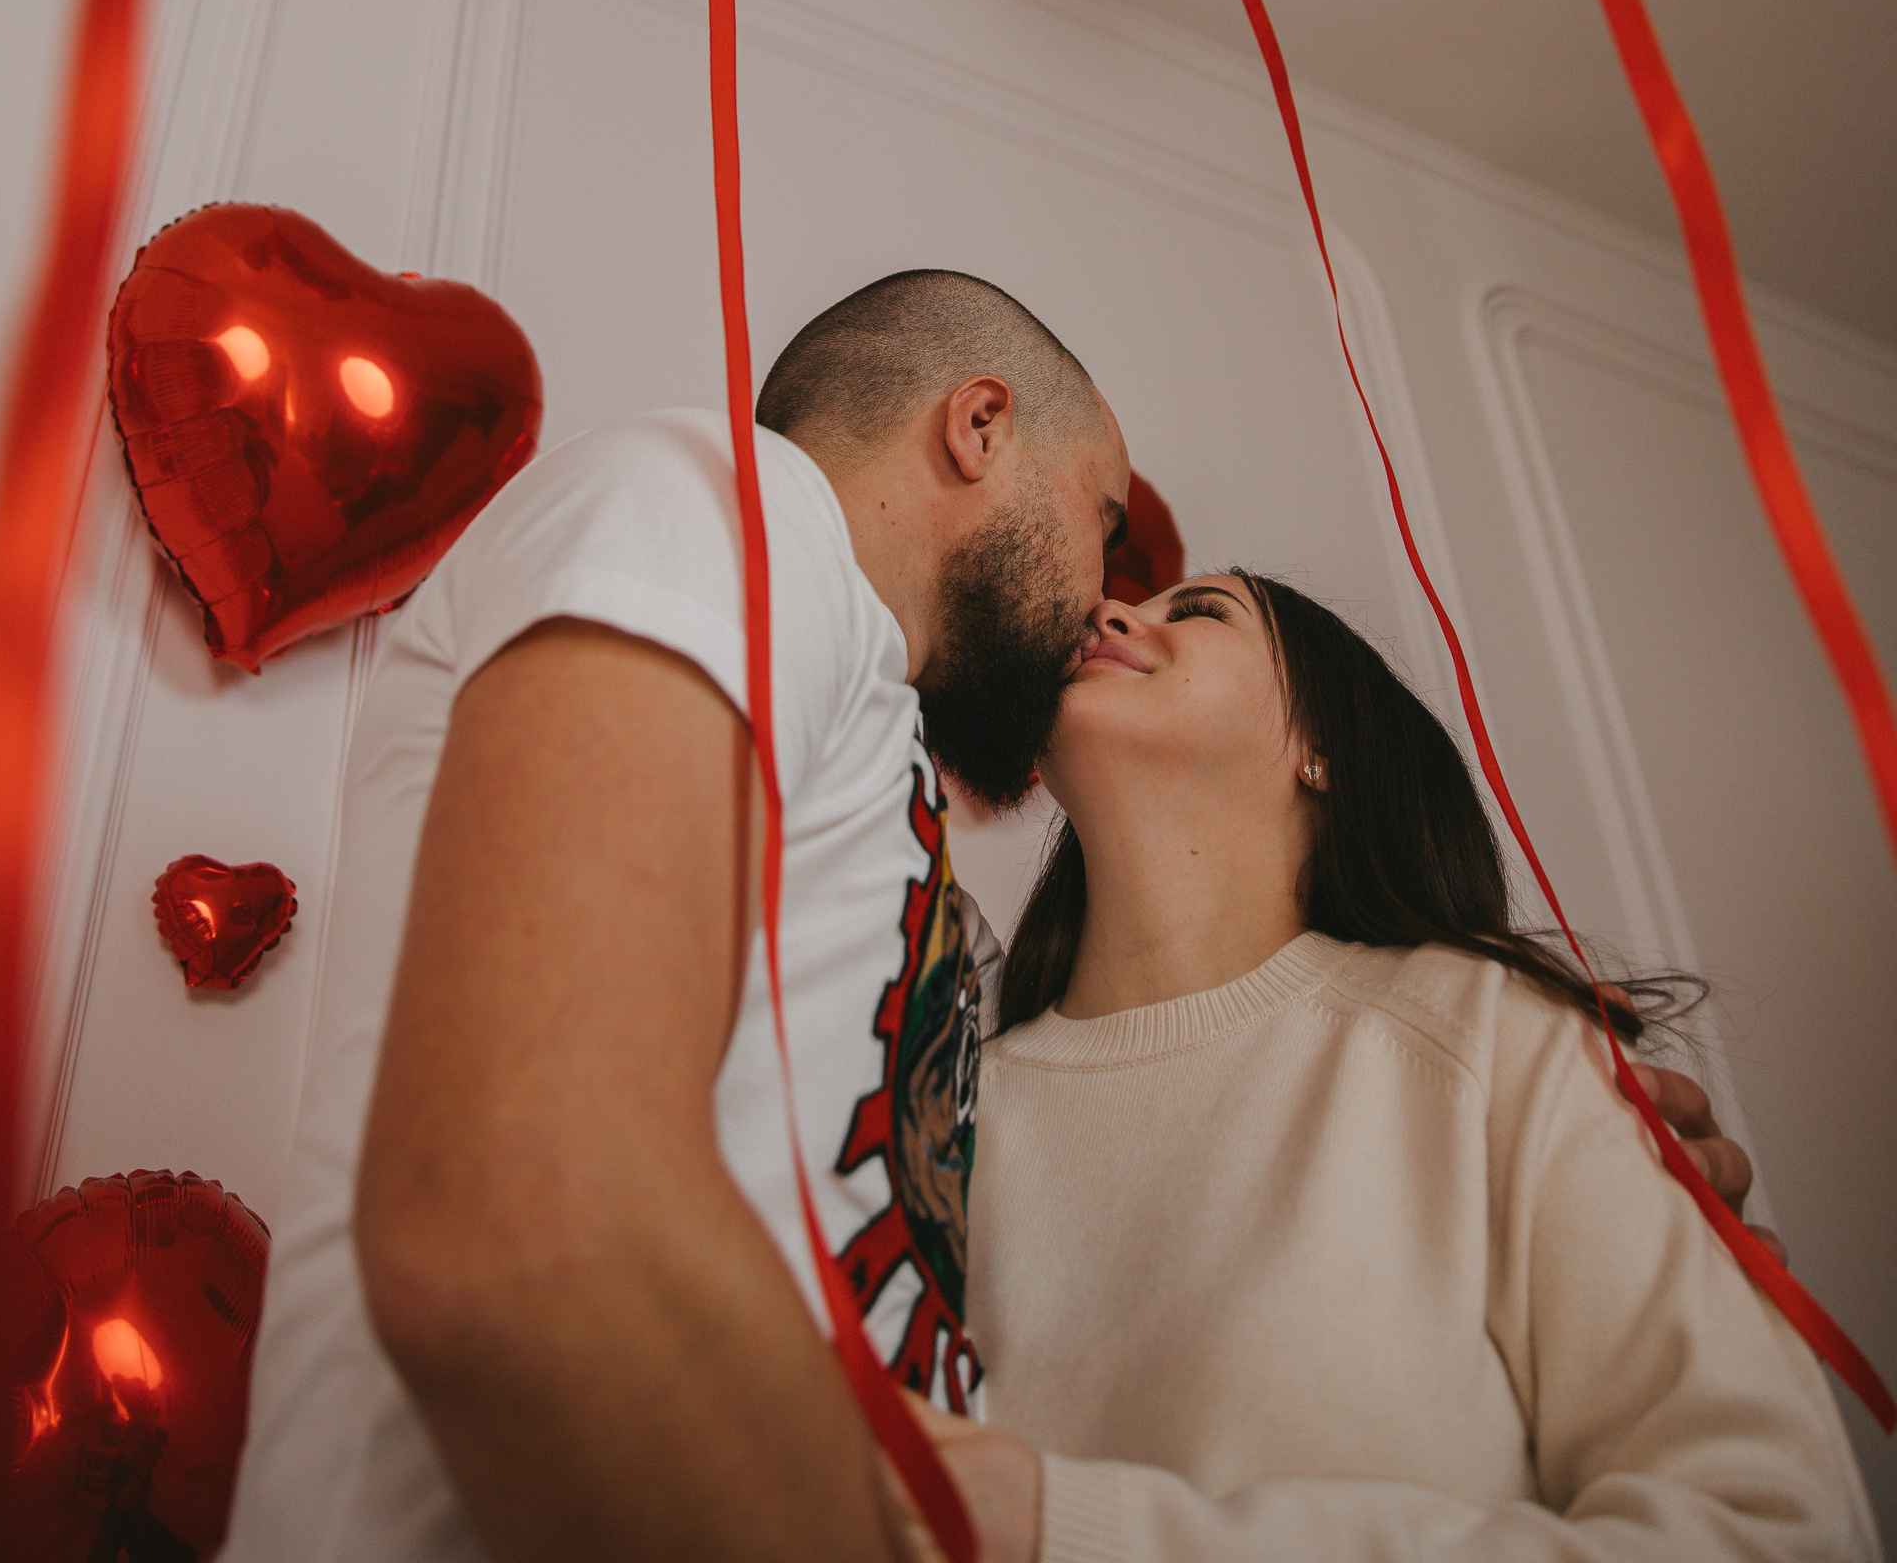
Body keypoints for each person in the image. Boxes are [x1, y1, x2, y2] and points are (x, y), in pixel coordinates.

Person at [225, 269, 1132, 1563]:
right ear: (980, 426)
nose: (1104, 595)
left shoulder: (867, 733)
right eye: (1105, 519)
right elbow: (528, 1222)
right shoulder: (723, 504)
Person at [913, 570, 1875, 1563]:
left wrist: (1061, 1527)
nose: (1106, 614)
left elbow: (1774, 1530)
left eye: (1197, 612)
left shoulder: (1489, 1035)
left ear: (1323, 749)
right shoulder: (937, 1109)